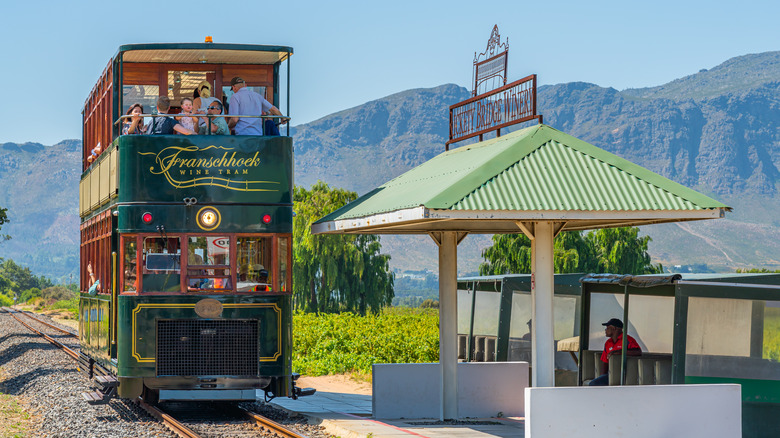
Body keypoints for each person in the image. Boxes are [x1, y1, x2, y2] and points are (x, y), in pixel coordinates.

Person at [589, 318, 641, 386]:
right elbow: (605, 362)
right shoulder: (607, 343)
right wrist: (601, 377)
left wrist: (619, 352)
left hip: (624, 374)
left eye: (607, 328)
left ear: (614, 328)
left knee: (593, 384)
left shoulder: (627, 339)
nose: (605, 330)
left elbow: (638, 352)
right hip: (610, 374)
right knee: (596, 383)